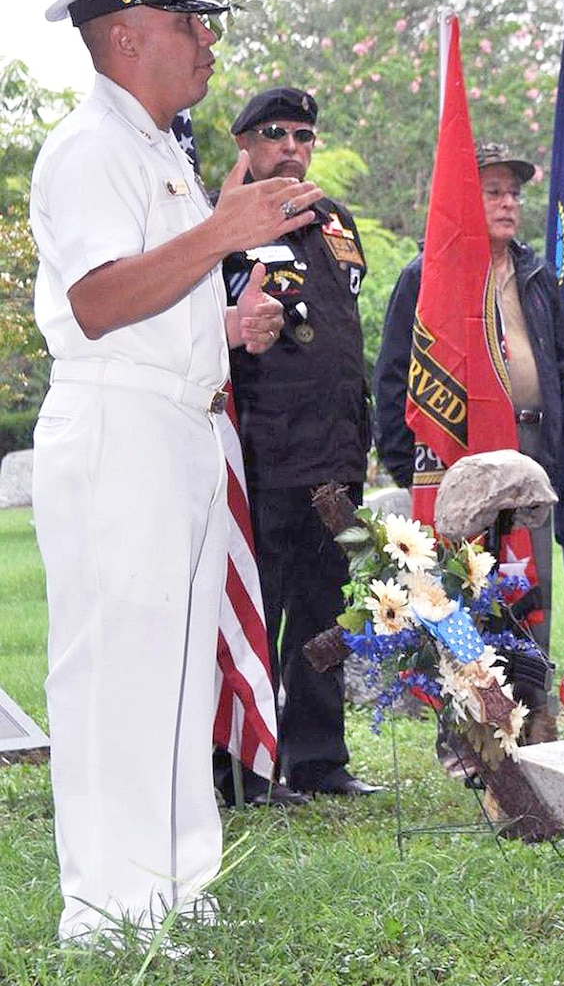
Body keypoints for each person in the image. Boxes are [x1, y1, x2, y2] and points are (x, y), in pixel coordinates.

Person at [30, 0, 321, 944]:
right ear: (126, 37)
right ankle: (105, 910)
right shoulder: (88, 148)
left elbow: (159, 291)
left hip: (183, 429)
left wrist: (224, 321)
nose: (207, 42)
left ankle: (174, 879)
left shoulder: (160, 151)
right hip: (119, 429)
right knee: (116, 664)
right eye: (190, 23)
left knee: (179, 662)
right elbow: (101, 302)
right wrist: (221, 237)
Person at [212, 87, 381, 802]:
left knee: (327, 611)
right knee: (260, 607)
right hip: (266, 452)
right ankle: (244, 768)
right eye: (275, 133)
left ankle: (318, 759)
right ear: (244, 143)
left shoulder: (334, 220)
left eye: (303, 134)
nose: (291, 146)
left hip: (337, 452)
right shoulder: (222, 220)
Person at [373, 142, 564, 743]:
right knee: (461, 596)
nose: (509, 202)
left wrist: (557, 453)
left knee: (528, 587)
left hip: (530, 452)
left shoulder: (536, 274)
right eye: (494, 191)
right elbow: (393, 375)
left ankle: (534, 719)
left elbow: (561, 362)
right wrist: (411, 468)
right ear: (465, 198)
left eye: (514, 192)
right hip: (457, 461)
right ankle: (470, 732)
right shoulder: (428, 272)